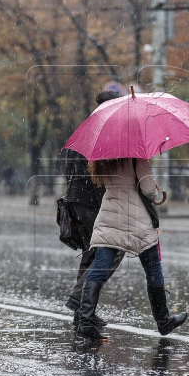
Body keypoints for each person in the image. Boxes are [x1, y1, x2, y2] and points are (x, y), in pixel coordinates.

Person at [77, 157, 187, 340]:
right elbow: (148, 190)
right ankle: (163, 320)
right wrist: (154, 187)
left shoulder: (105, 157)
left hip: (110, 217)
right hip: (136, 220)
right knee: (152, 269)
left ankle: (85, 321)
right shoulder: (138, 156)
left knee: (100, 268)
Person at [63, 90, 125, 328]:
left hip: (76, 201)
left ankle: (83, 314)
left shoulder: (85, 128)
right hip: (92, 203)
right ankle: (79, 301)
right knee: (111, 252)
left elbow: (68, 169)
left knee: (91, 254)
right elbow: (100, 175)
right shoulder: (105, 131)